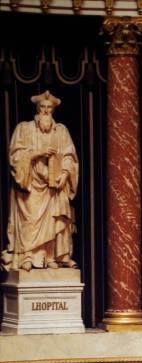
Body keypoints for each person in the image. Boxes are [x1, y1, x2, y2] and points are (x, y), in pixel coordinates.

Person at [1, 90, 79, 272]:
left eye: (49, 108)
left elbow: (70, 155)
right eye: (42, 107)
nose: (45, 111)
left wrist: (65, 174)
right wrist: (38, 153)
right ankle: (28, 255)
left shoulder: (61, 131)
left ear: (53, 111)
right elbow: (16, 155)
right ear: (37, 109)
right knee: (30, 218)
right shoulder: (24, 129)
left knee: (55, 220)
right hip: (30, 183)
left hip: (55, 185)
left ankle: (51, 256)